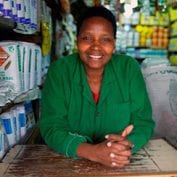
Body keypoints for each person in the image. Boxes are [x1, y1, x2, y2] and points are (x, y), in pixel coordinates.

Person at [39, 6, 155, 168]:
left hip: (121, 163)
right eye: (87, 38)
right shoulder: (60, 70)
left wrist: (124, 146)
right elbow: (51, 126)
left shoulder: (128, 68)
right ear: (77, 39)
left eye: (105, 39)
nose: (95, 46)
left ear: (114, 42)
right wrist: (92, 152)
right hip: (69, 165)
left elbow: (143, 122)